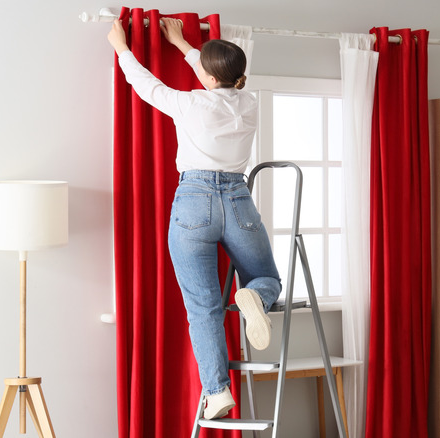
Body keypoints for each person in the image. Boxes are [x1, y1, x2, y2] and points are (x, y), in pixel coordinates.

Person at [108, 18, 282, 420]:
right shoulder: (250, 102)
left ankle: (218, 391)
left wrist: (122, 47)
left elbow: (147, 86)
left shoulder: (190, 103)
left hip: (194, 202)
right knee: (267, 279)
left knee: (203, 306)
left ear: (206, 74)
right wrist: (186, 45)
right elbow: (216, 79)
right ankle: (254, 297)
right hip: (238, 200)